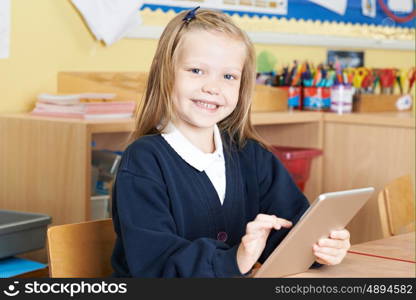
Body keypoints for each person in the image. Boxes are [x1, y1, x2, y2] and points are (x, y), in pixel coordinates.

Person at [111, 7, 350, 278]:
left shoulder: (252, 156)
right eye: (197, 70)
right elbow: (156, 264)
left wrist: (321, 247)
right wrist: (236, 258)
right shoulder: (143, 162)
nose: (213, 87)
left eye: (228, 76)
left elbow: (291, 229)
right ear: (166, 73)